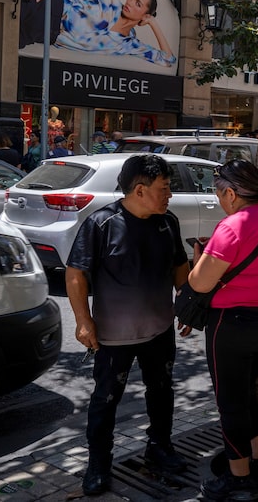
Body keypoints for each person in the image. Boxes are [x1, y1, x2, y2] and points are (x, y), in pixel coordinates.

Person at [65, 155, 191, 497]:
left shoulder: (168, 223)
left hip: (160, 330)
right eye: (164, 189)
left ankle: (159, 448)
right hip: (113, 337)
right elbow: (75, 273)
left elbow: (179, 267)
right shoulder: (102, 224)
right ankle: (98, 465)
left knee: (162, 392)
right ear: (139, 189)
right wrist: (82, 322)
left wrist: (188, 306)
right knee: (105, 401)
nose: (169, 195)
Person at [186, 159, 258, 500]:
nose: (219, 200)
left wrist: (198, 258)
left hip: (231, 326)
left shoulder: (232, 226)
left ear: (231, 193)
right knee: (245, 393)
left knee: (230, 403)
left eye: (219, 194)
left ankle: (239, 476)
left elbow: (200, 283)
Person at [19, 0, 177, 67]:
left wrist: (153, 23)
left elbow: (168, 60)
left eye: (138, 3)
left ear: (146, 15)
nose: (129, 2)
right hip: (48, 6)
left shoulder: (128, 45)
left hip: (45, 34)